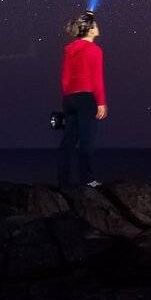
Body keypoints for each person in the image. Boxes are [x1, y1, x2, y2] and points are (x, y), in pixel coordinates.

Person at [58, 10, 107, 188]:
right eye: (95, 24)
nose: (98, 26)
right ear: (91, 29)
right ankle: (87, 179)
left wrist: (67, 97)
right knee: (87, 140)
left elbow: (64, 77)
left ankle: (63, 180)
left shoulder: (70, 49)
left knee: (68, 140)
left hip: (70, 98)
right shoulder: (95, 50)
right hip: (86, 98)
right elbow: (97, 78)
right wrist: (101, 102)